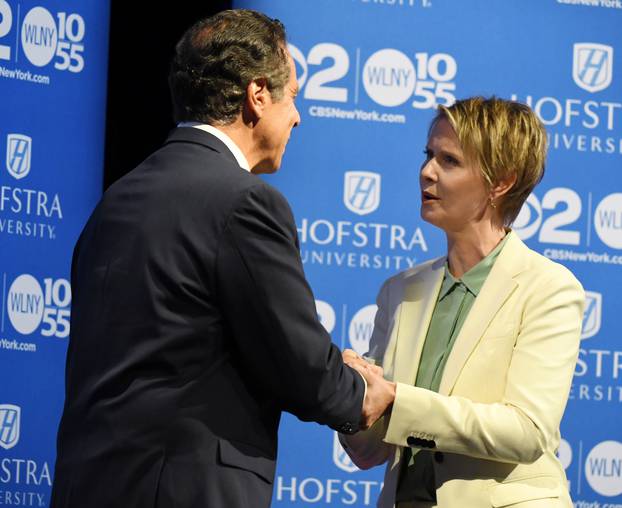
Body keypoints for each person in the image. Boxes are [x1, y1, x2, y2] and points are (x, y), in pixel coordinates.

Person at [50, 9, 394, 508]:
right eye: (293, 96)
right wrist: (360, 393)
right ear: (258, 96)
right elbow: (296, 359)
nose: (298, 115)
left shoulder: (117, 199)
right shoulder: (244, 202)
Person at [340, 97, 584, 508]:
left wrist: (397, 399)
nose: (426, 172)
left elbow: (527, 432)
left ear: (500, 183)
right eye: (429, 155)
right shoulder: (400, 291)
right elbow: (369, 453)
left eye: (449, 161)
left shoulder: (548, 288)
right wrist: (354, 394)